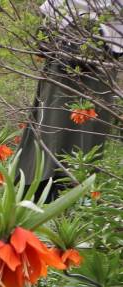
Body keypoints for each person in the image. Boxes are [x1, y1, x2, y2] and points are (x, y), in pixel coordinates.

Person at [17, 0, 121, 193]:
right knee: (59, 128)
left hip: (94, 69)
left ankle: (63, 189)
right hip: (77, 67)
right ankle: (52, 188)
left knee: (76, 130)